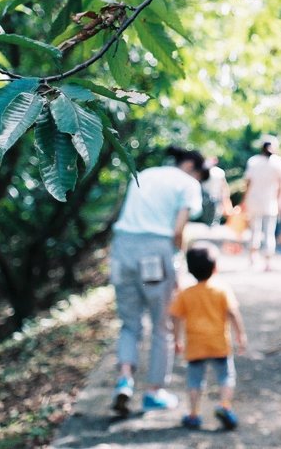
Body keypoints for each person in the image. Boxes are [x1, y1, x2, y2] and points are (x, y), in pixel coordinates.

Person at [109, 146, 205, 415]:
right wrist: (178, 265)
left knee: (129, 324)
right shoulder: (188, 184)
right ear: (191, 166)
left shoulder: (146, 173)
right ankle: (154, 392)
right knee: (162, 325)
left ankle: (124, 380)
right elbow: (178, 230)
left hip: (122, 249)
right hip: (154, 253)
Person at [170, 241, 247, 431]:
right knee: (226, 377)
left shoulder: (186, 294)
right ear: (215, 267)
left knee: (195, 380)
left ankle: (194, 414)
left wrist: (177, 339)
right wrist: (240, 334)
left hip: (196, 345)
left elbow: (176, 318)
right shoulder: (221, 290)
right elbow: (233, 313)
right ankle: (224, 406)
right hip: (219, 344)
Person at [240, 135, 281, 270]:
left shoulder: (253, 161)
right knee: (269, 231)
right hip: (270, 202)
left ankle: (252, 257)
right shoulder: (279, 163)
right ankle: (268, 262)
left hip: (254, 201)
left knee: (254, 230)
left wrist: (244, 200)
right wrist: (279, 201)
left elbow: (248, 183)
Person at [201, 156, 233, 225]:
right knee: (215, 212)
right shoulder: (218, 172)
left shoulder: (207, 171)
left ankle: (210, 224)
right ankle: (212, 224)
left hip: (209, 194)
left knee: (210, 211)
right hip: (213, 194)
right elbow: (224, 185)